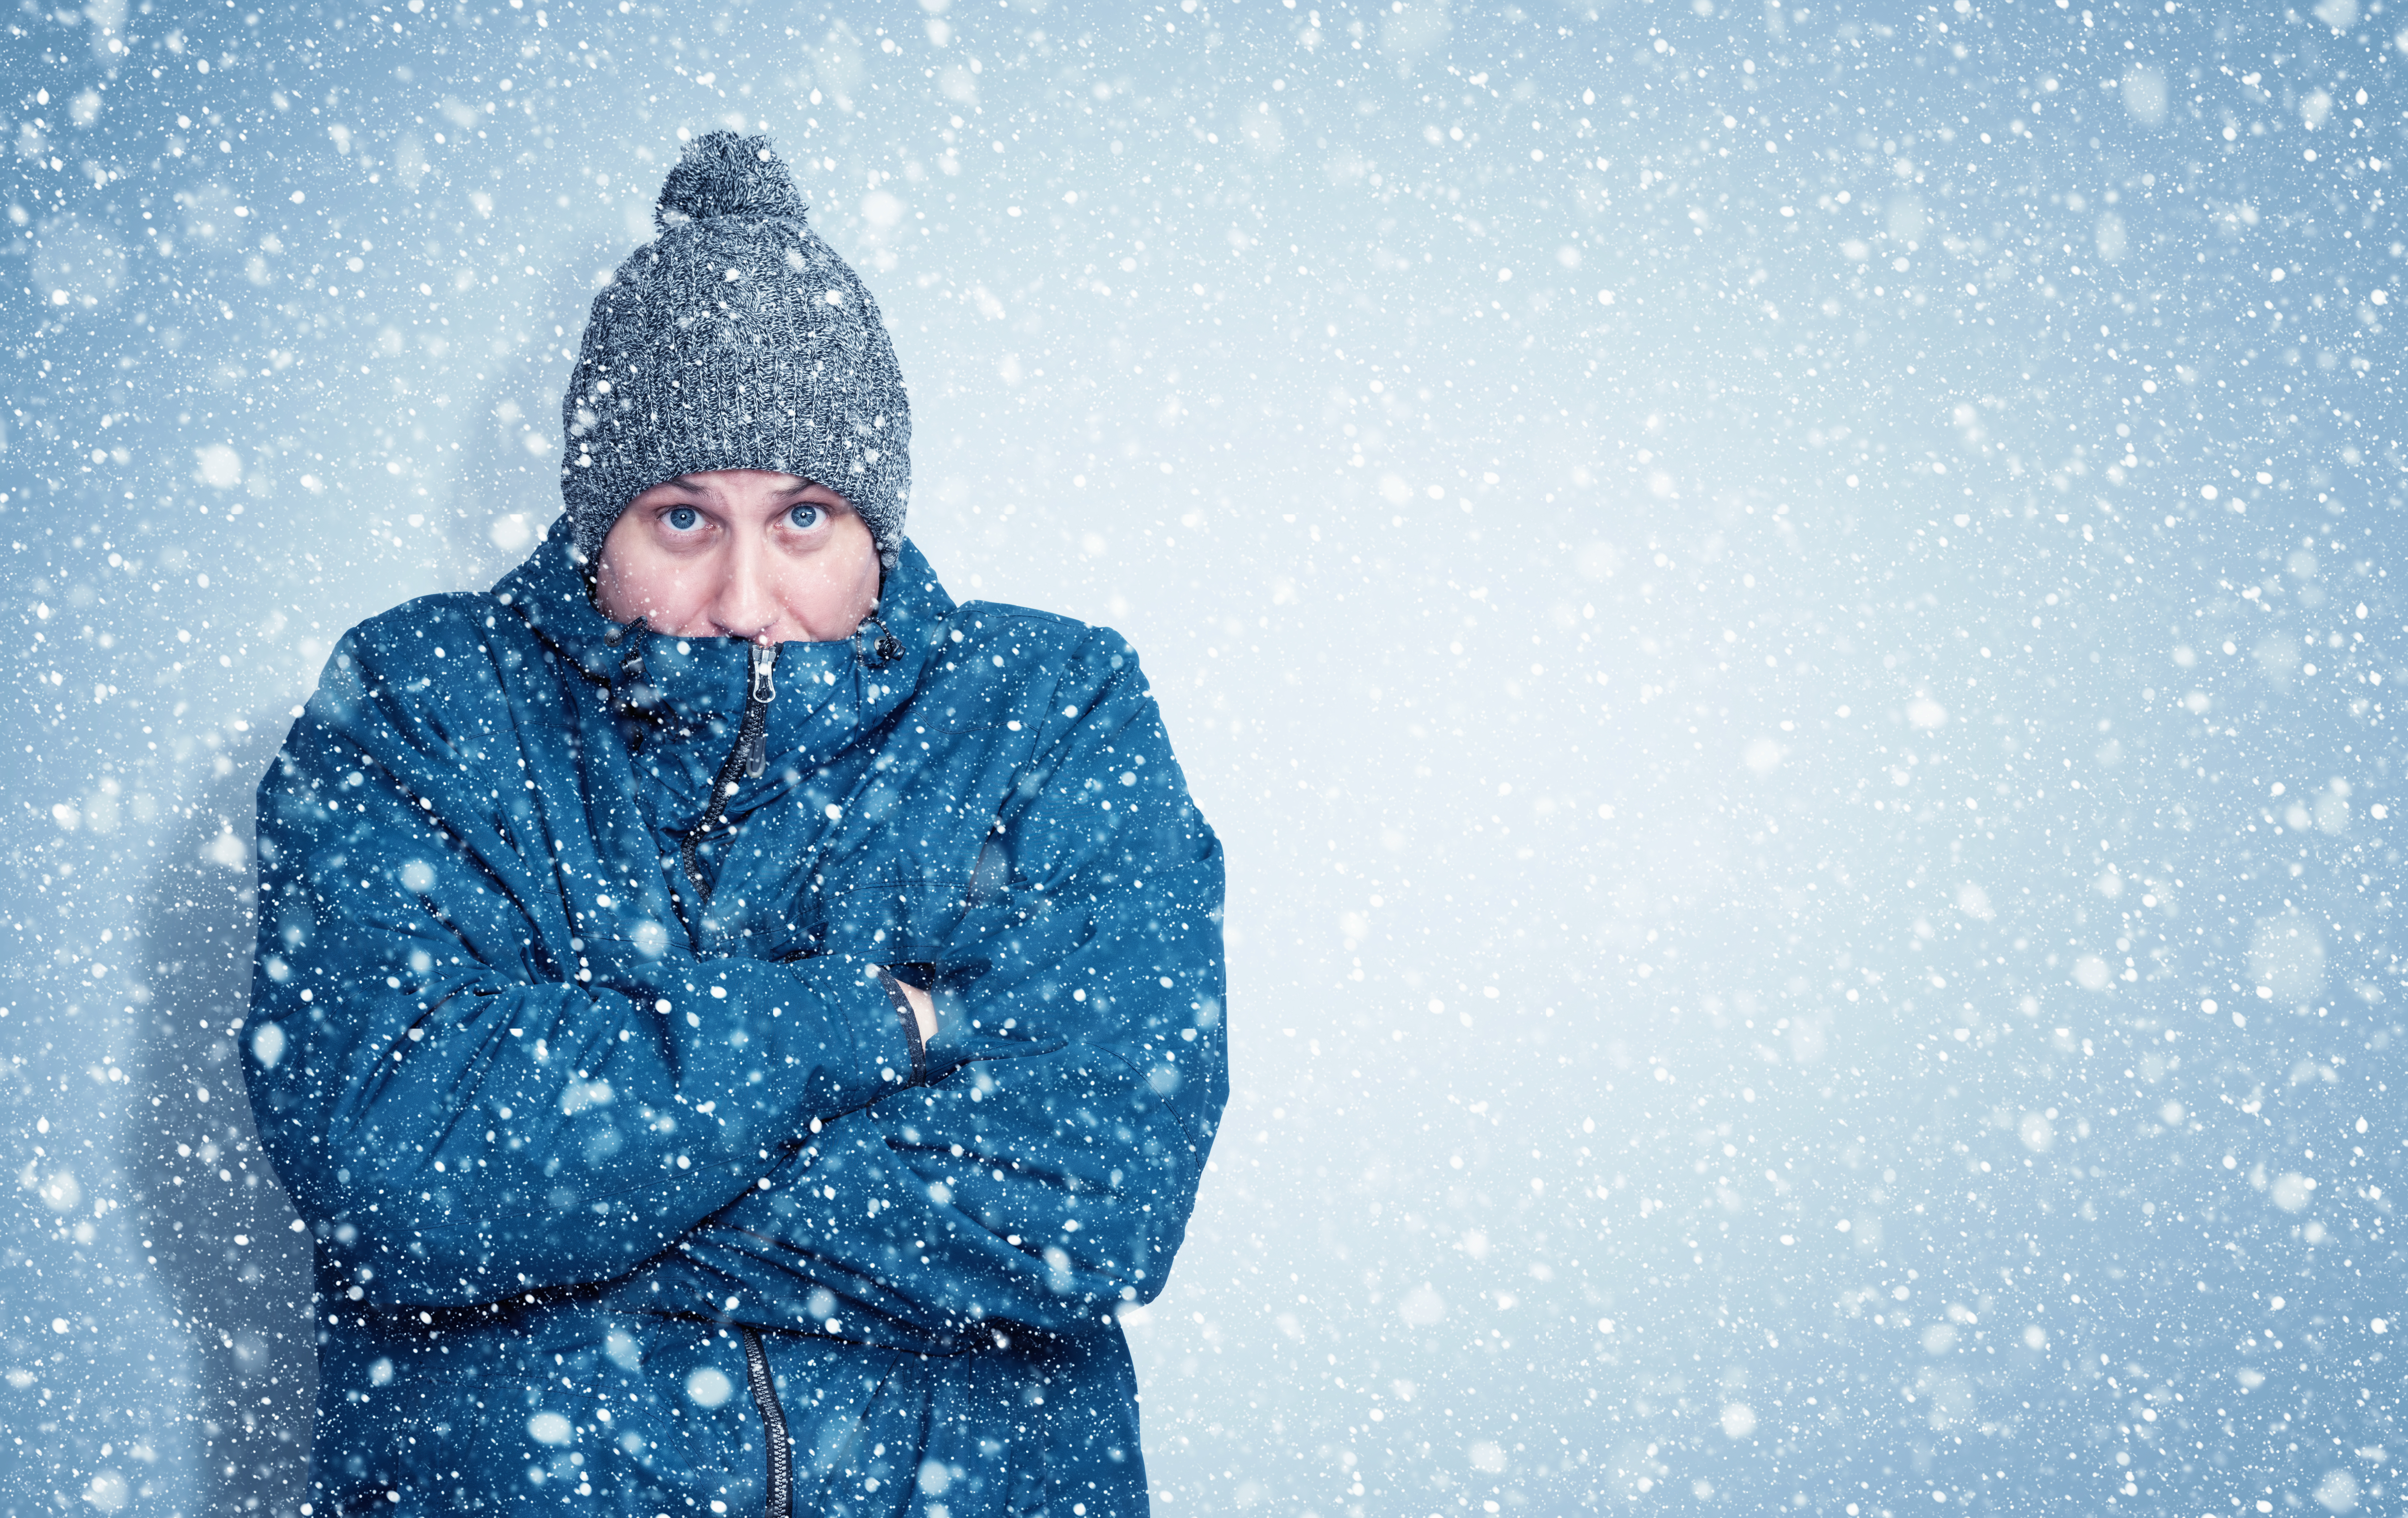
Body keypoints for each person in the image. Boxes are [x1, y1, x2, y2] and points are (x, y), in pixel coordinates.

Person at [240, 131, 1229, 1518]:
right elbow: (393, 1174)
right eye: (685, 517)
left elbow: (1096, 1195)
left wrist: (580, 1208)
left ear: (875, 523)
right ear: (599, 522)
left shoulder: (1051, 708)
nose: (748, 596)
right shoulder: (428, 701)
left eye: (805, 516)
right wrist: (868, 1027)